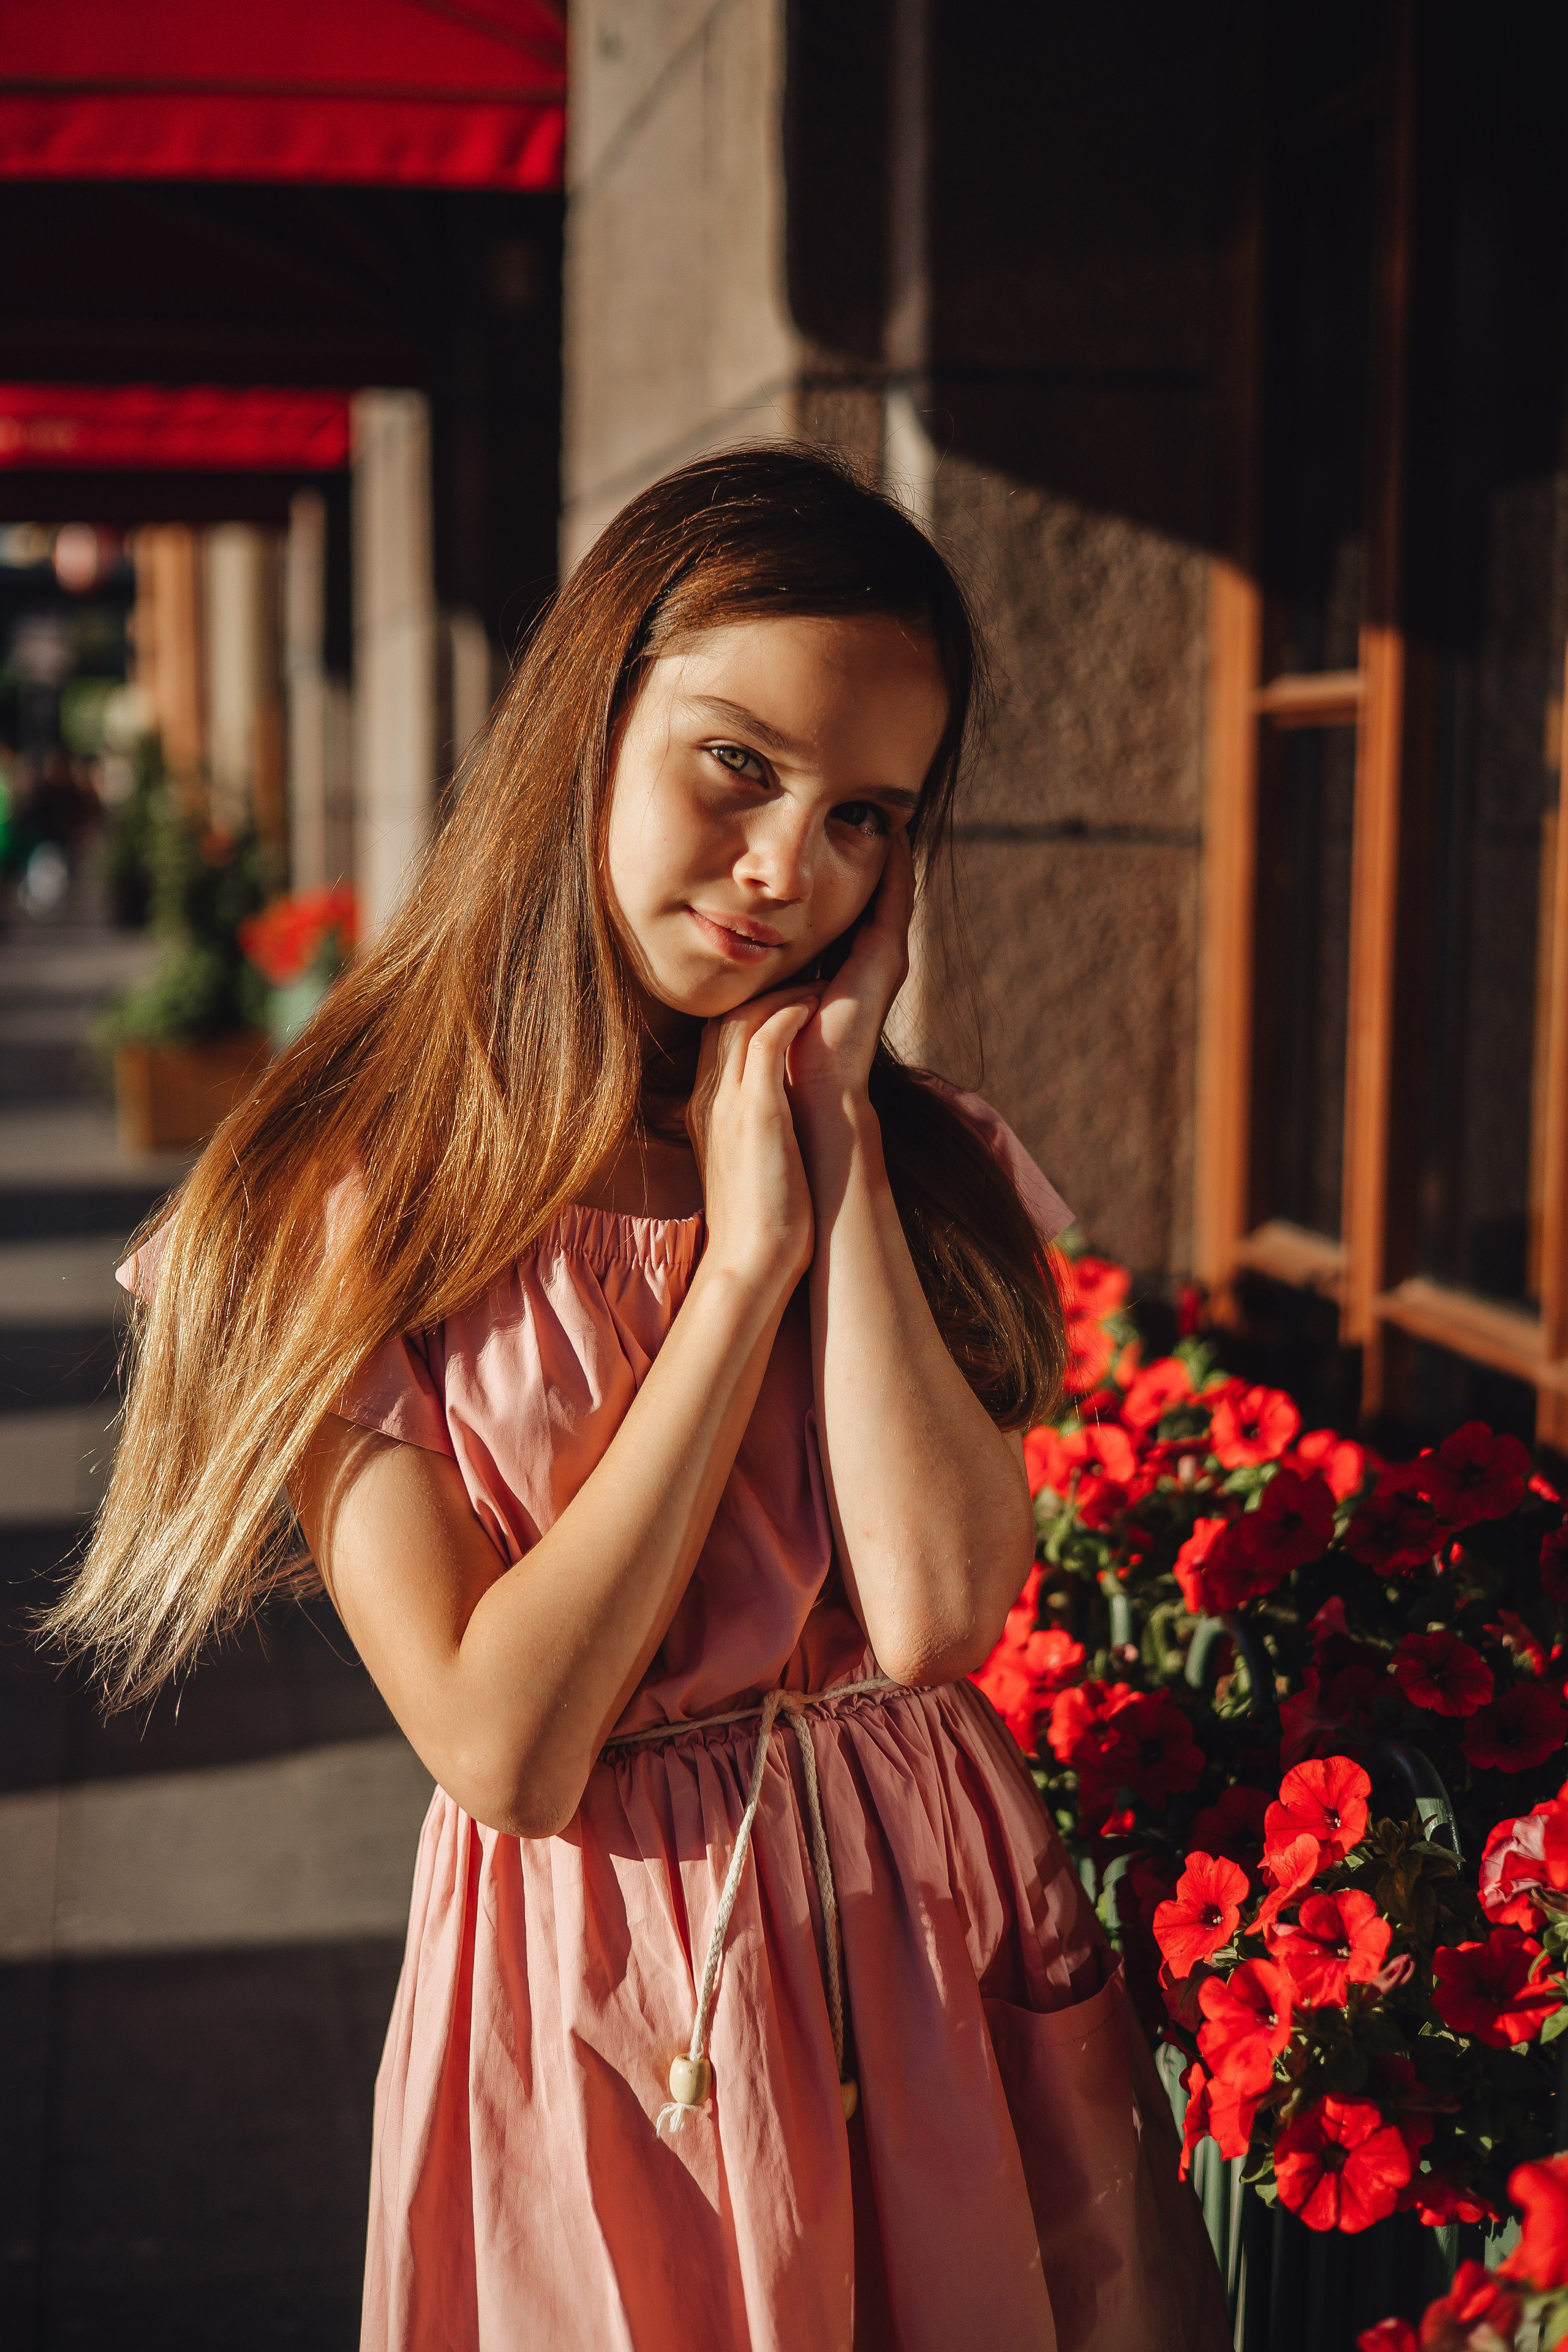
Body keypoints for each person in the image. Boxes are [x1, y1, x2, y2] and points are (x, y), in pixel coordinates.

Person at [50, 450, 1229, 2352]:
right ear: (587, 726)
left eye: (866, 817)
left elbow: (930, 1618)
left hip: (931, 1941)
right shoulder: (336, 1200)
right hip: (608, 1983)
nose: (790, 869)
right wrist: (737, 1271)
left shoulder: (910, 1159)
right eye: (737, 767)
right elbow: (502, 1746)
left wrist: (830, 1150)